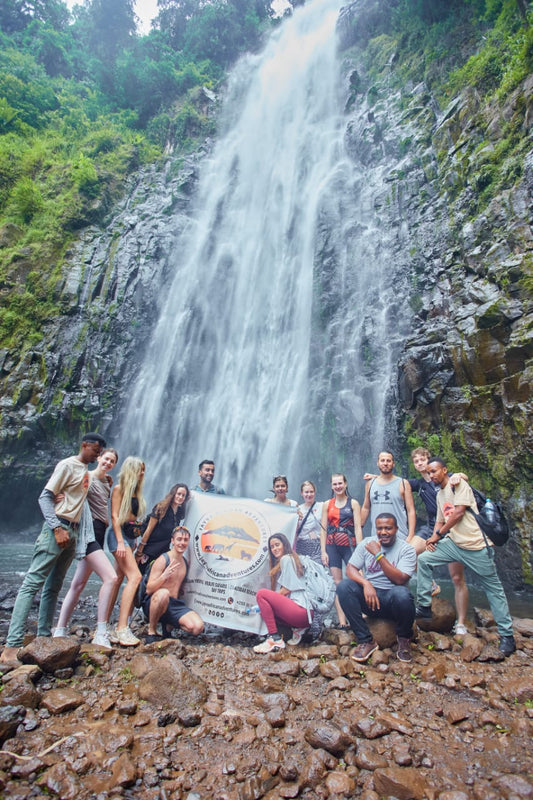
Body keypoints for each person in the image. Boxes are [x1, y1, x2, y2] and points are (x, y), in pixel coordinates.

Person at [0, 432, 106, 664]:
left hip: (74, 532)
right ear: (84, 445)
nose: (98, 455)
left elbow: (75, 497)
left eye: (100, 453)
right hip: (57, 530)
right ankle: (11, 647)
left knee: (53, 587)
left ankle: (44, 637)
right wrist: (57, 527)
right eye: (95, 450)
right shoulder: (67, 465)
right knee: (32, 584)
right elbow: (44, 497)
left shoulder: (85, 472)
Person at [415, 458, 516, 657]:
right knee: (424, 559)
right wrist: (432, 539)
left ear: (445, 470)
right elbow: (440, 520)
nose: (432, 475)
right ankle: (424, 605)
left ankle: (507, 636)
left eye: (434, 471)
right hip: (454, 544)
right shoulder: (439, 494)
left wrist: (439, 534)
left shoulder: (459, 484)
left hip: (476, 546)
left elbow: (459, 513)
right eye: (429, 472)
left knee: (493, 588)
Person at [53, 448, 119, 648]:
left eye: (112, 461)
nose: (108, 463)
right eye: (106, 459)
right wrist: (60, 496)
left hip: (100, 533)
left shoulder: (108, 482)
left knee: (78, 584)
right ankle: (101, 632)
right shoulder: (86, 477)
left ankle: (60, 629)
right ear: (99, 458)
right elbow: (68, 488)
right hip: (89, 534)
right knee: (111, 578)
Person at [337, 513, 417, 663]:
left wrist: (378, 555)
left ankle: (404, 639)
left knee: (402, 594)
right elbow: (350, 568)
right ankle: (366, 640)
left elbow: (399, 579)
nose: (383, 532)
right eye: (380, 528)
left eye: (388, 528)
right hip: (371, 599)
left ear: (396, 529)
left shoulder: (406, 550)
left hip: (393, 602)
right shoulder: (367, 543)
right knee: (344, 586)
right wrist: (366, 583)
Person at [409, 447, 470, 634]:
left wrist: (460, 475)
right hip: (432, 527)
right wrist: (373, 478)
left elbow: (463, 478)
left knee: (457, 577)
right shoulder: (418, 484)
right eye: (416, 461)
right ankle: (432, 585)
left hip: (454, 529)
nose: (420, 464)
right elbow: (394, 482)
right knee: (409, 554)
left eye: (423, 460)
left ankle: (460, 622)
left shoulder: (447, 478)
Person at [106, 456, 146, 646]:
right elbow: (114, 517)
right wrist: (121, 543)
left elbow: (133, 520)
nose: (143, 473)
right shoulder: (119, 489)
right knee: (135, 577)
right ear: (132, 469)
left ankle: (104, 625)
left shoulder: (136, 492)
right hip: (118, 536)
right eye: (141, 469)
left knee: (117, 579)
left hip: (130, 537)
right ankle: (122, 628)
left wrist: (135, 539)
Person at [142, 526, 204, 643]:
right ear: (172, 541)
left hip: (173, 605)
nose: (182, 543)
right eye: (179, 539)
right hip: (156, 601)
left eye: (185, 540)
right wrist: (164, 576)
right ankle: (152, 630)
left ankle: (168, 624)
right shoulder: (163, 559)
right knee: (164, 593)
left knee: (197, 627)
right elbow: (149, 589)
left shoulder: (185, 563)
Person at [254, 533, 311, 652]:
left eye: (277, 545)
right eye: (272, 547)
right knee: (265, 609)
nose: (275, 549)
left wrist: (271, 598)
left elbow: (288, 588)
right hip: (305, 615)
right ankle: (297, 631)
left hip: (301, 611)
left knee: (261, 595)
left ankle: (274, 639)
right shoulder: (292, 559)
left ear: (284, 545)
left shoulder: (287, 559)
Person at [320, 473, 363, 629]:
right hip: (332, 546)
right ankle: (342, 621)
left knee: (357, 578)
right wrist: (323, 551)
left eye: (340, 483)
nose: (337, 486)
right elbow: (323, 530)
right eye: (335, 484)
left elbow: (358, 528)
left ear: (345, 484)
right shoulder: (327, 504)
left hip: (349, 545)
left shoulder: (353, 503)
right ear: (331, 486)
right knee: (337, 583)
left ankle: (362, 615)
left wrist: (360, 549)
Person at [361, 451, 417, 544]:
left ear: (393, 464)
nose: (385, 463)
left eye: (388, 461)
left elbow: (411, 510)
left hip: (400, 536)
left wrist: (410, 535)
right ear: (377, 463)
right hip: (376, 536)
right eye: (382, 460)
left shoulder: (403, 483)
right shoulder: (370, 483)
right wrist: (358, 527)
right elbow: (366, 507)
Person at [136, 483, 190, 574]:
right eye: (178, 494)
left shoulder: (179, 513)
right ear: (173, 494)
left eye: (183, 495)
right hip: (149, 551)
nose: (180, 497)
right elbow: (148, 530)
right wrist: (139, 552)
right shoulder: (161, 508)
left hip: (163, 553)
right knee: (141, 580)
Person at [295, 481, 323, 563]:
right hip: (301, 545)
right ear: (301, 493)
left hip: (317, 545)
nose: (309, 494)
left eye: (311, 492)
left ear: (315, 492)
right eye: (306, 492)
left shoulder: (322, 506)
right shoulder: (297, 510)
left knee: (317, 571)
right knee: (302, 572)